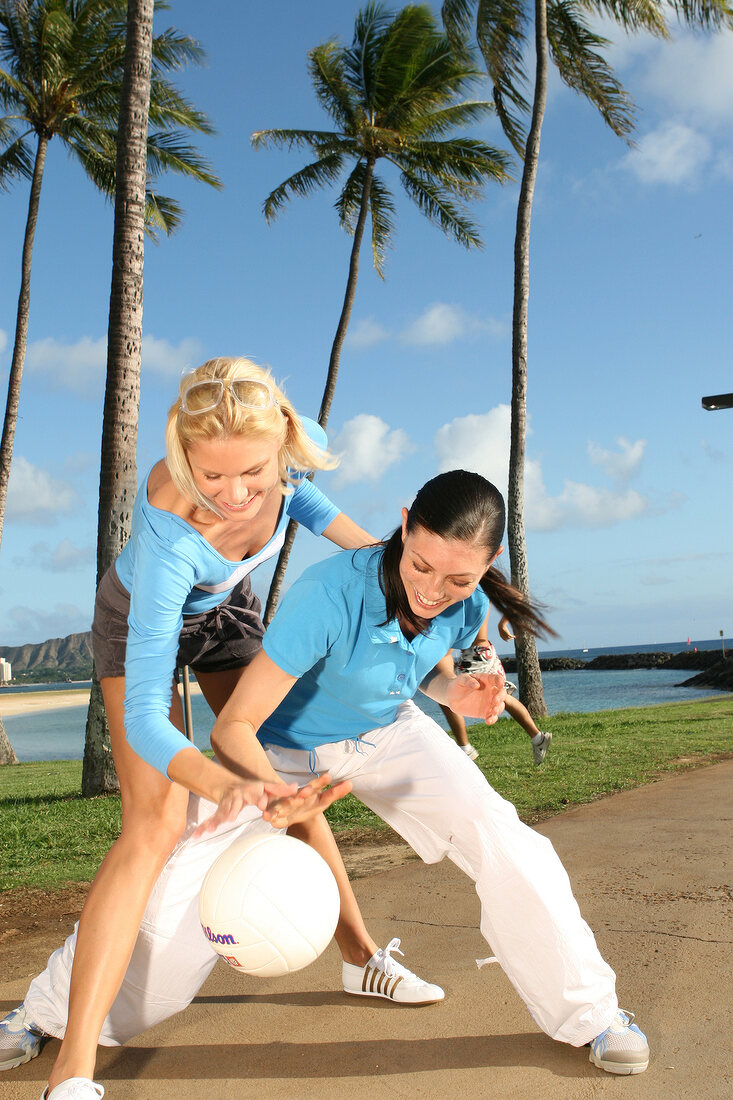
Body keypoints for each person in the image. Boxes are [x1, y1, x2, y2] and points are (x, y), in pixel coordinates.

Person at [6, 471, 648, 1088]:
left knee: (508, 841)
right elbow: (235, 726)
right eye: (420, 565)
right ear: (403, 525)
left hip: (388, 735)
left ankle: (591, 1015)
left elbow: (424, 672)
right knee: (169, 915)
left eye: (457, 577)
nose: (431, 588)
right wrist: (275, 794)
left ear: (489, 561)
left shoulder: (466, 599)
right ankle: (46, 1012)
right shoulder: (329, 592)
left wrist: (461, 693)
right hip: (279, 753)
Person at [0, 358, 441, 1100]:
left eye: (254, 477)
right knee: (154, 822)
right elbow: (142, 718)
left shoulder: (285, 451)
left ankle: (361, 957)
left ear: (285, 448)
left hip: (223, 614)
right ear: (184, 457)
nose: (236, 497)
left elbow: (337, 530)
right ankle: (72, 1065)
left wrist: (411, 575)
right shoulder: (173, 536)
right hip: (141, 618)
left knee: (288, 773)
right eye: (213, 479)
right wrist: (220, 781)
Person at [441, 610, 553, 765]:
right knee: (502, 697)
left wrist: (503, 623)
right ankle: (538, 738)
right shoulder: (477, 588)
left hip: (476, 654)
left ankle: (465, 748)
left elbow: (516, 597)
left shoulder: (475, 587)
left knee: (448, 694)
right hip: (482, 652)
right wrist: (503, 623)